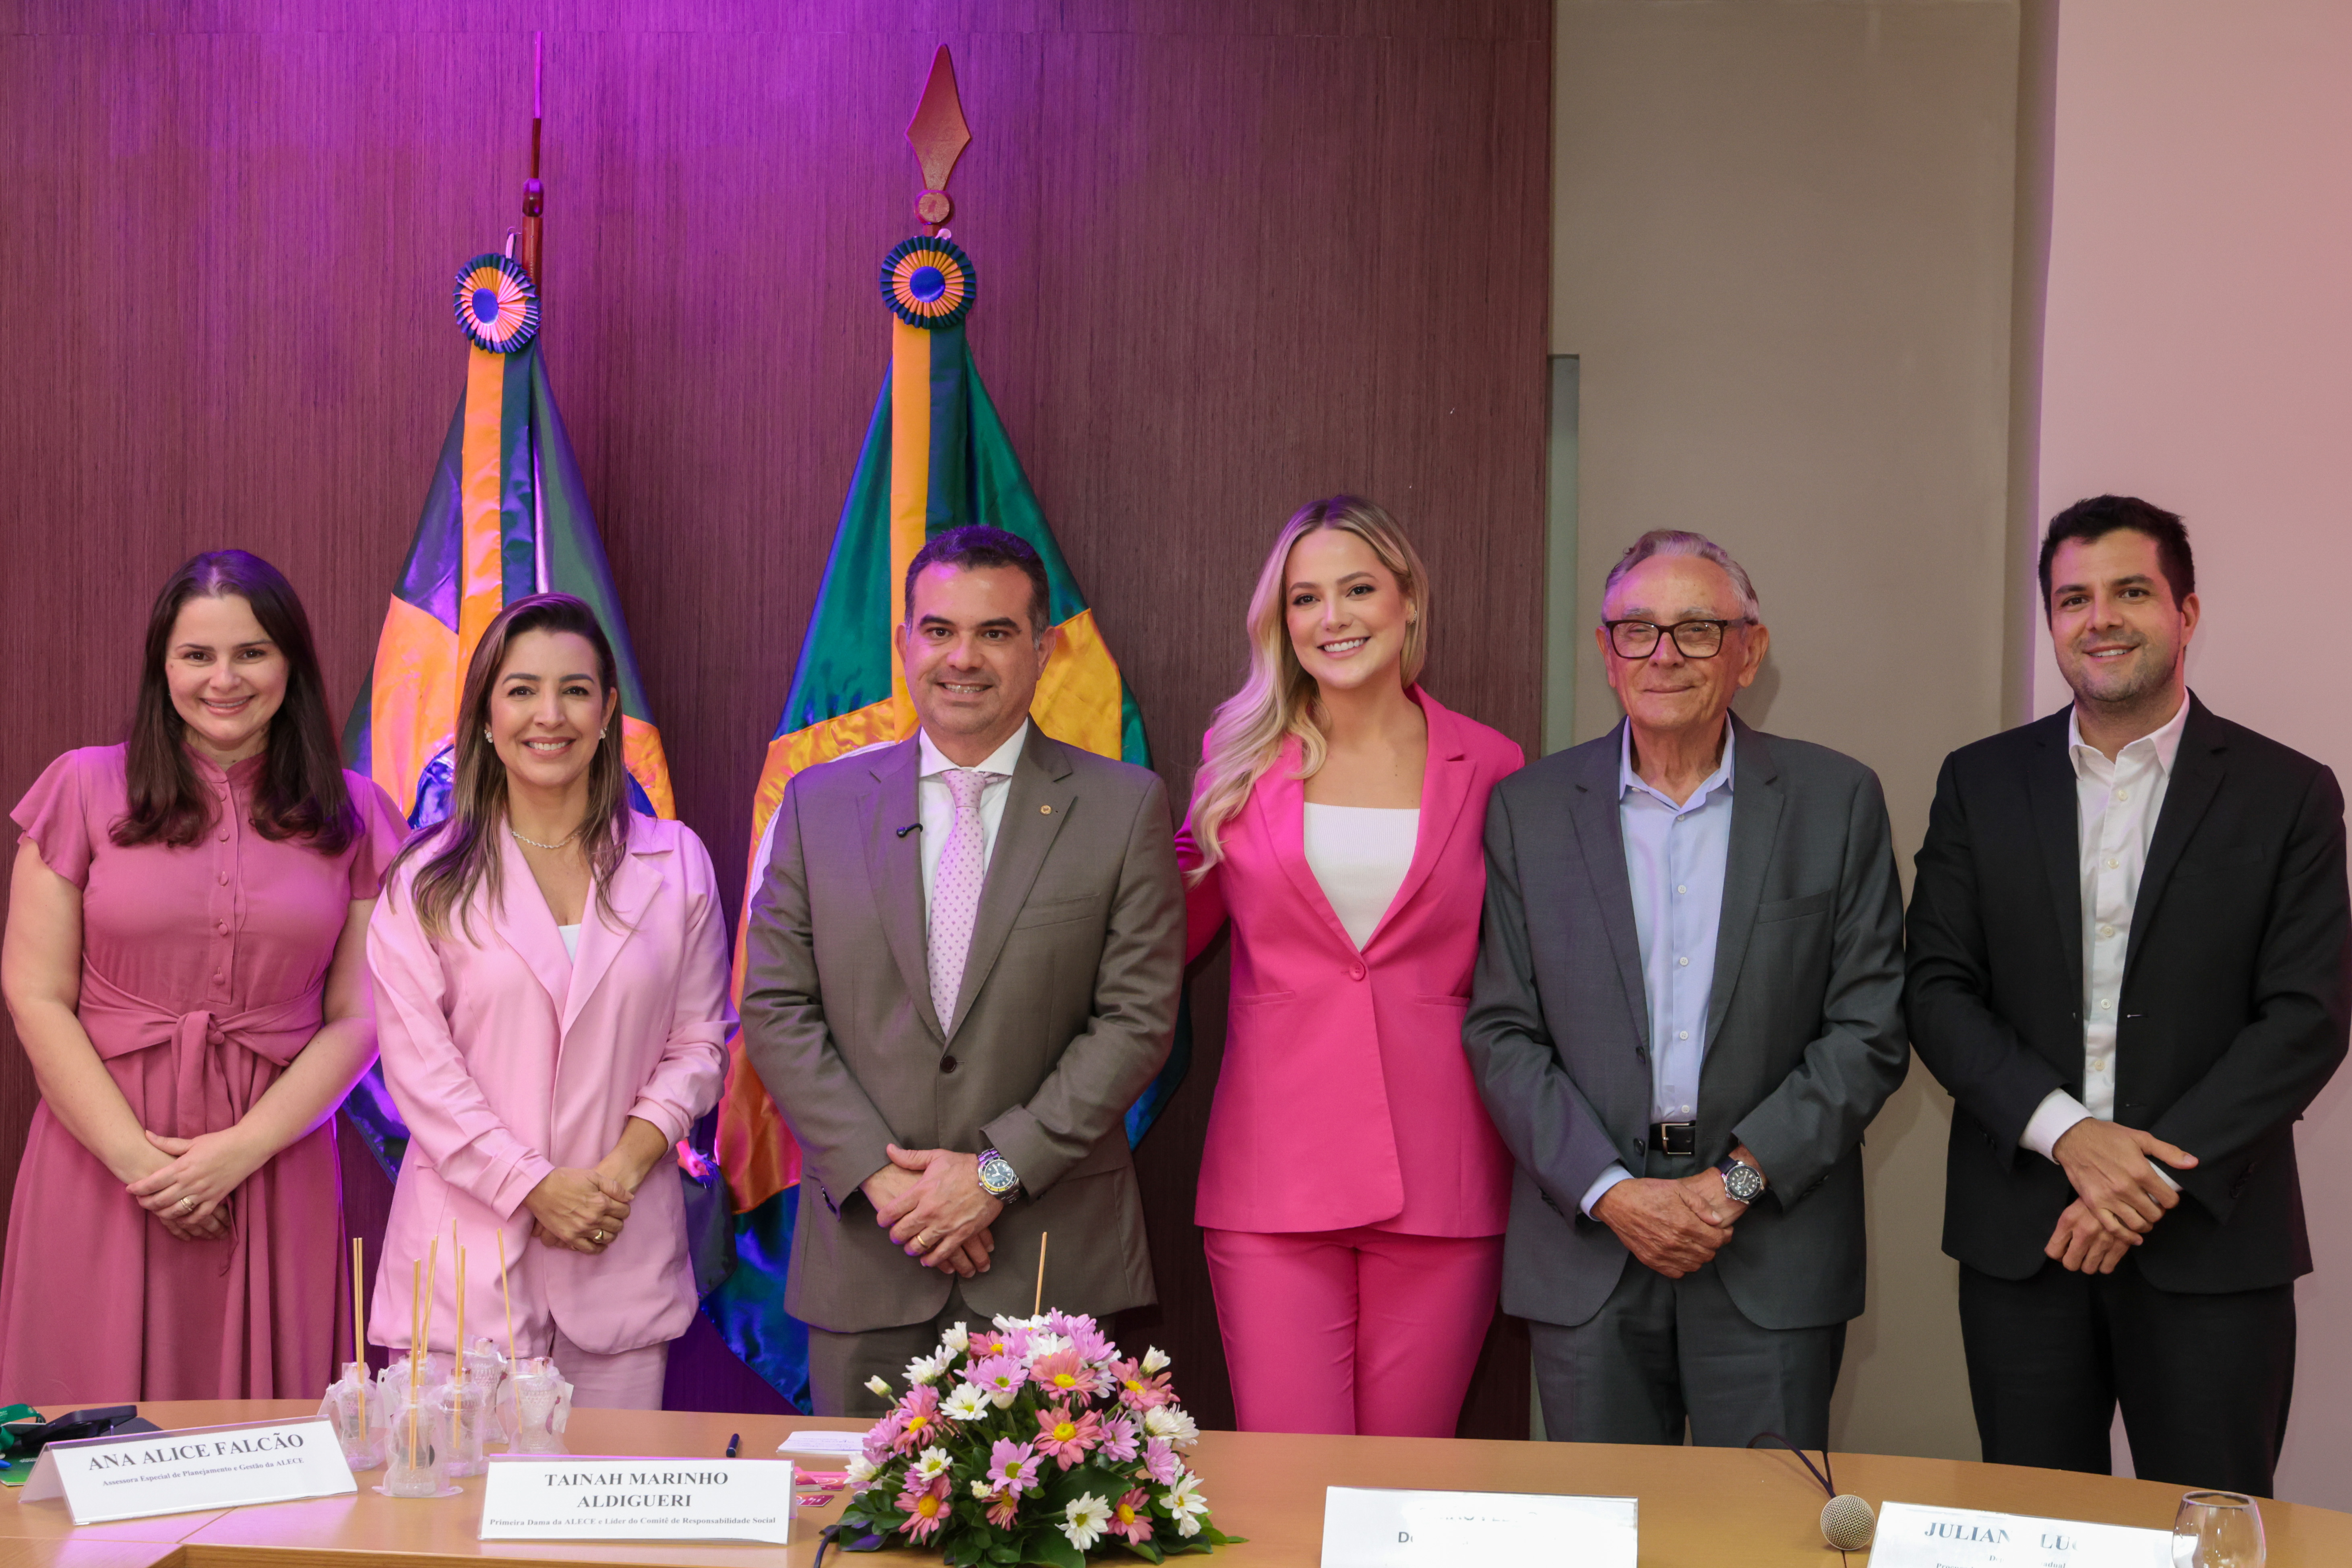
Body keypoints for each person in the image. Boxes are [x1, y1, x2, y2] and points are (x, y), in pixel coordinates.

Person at [1906, 496, 2348, 1496]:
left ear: (2185, 613)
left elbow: (2305, 1017)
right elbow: (1935, 989)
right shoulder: (1978, 783)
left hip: (2210, 1243)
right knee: (2034, 1533)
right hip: (2025, 1243)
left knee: (2209, 1530)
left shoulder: (2287, 793)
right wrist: (2069, 1135)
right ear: (2051, 620)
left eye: (2130, 592)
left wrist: (2141, 1176)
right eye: (2073, 599)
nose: (2098, 618)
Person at [1464, 529, 1908, 1447]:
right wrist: (1611, 1192)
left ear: (1749, 651)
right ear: (1606, 652)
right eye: (1636, 629)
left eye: (1697, 629)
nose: (1662, 654)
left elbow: (1868, 1028)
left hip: (1769, 1244)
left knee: (1764, 1522)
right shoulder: (1528, 810)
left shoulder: (1835, 801)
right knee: (1604, 1520)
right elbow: (1502, 1032)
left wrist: (1733, 1184)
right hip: (1589, 1248)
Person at [740, 525, 1183, 1417]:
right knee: (859, 1507)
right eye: (939, 631)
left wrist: (991, 1176)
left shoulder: (1122, 805)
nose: (963, 658)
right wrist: (884, 1182)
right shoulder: (818, 805)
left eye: (995, 632)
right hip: (871, 1250)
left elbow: (1135, 1020)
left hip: (1050, 1262)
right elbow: (777, 1006)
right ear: (904, 642)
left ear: (1042, 648)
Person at [0, 550, 405, 1403]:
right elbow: (34, 994)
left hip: (276, 1157)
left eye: (252, 652)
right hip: (100, 1154)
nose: (225, 679)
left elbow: (361, 1016)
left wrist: (238, 1152)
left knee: (270, 1440)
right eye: (197, 655)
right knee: (79, 1430)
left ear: (291, 664)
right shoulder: (82, 787)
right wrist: (144, 1166)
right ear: (163, 665)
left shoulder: (359, 814)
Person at [1174, 496, 1521, 1437]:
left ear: (1408, 601)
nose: (1332, 617)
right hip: (1272, 1182)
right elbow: (1157, 942)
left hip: (1444, 1179)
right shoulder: (1234, 763)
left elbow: (1531, 974)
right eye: (1305, 598)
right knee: (1291, 1481)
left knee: (1404, 1485)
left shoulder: (1492, 764)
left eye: (1358, 589)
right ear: (1281, 622)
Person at [366, 593, 730, 1411]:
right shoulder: (424, 880)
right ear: (486, 716)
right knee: (452, 1495)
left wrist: (616, 1175)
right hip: (464, 1275)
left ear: (607, 712)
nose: (549, 715)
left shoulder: (676, 862)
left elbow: (700, 1044)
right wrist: (536, 1187)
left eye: (574, 690)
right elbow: (422, 1074)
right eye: (522, 690)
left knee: (607, 1494)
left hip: (618, 1245)